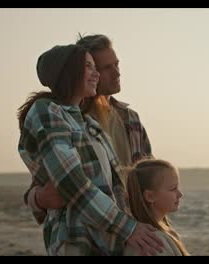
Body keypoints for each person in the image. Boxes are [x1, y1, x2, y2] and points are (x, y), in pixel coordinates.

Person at [17, 44, 162, 255]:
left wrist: (145, 227)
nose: (99, 74)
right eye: (91, 67)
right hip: (78, 239)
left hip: (113, 238)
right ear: (68, 71)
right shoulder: (47, 111)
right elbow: (69, 183)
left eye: (115, 65)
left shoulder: (95, 124)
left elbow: (125, 185)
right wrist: (37, 198)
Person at [124, 159, 189, 256]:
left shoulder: (161, 234)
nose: (180, 194)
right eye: (173, 189)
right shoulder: (151, 242)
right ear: (150, 196)